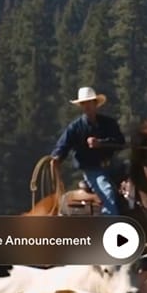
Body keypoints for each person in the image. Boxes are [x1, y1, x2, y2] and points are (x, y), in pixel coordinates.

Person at [50, 86, 127, 215]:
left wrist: (101, 143)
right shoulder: (75, 128)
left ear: (95, 104)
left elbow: (120, 142)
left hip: (114, 165)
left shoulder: (109, 123)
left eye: (89, 102)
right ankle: (112, 228)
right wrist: (56, 157)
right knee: (107, 191)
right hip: (92, 170)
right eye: (83, 103)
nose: (86, 106)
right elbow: (63, 145)